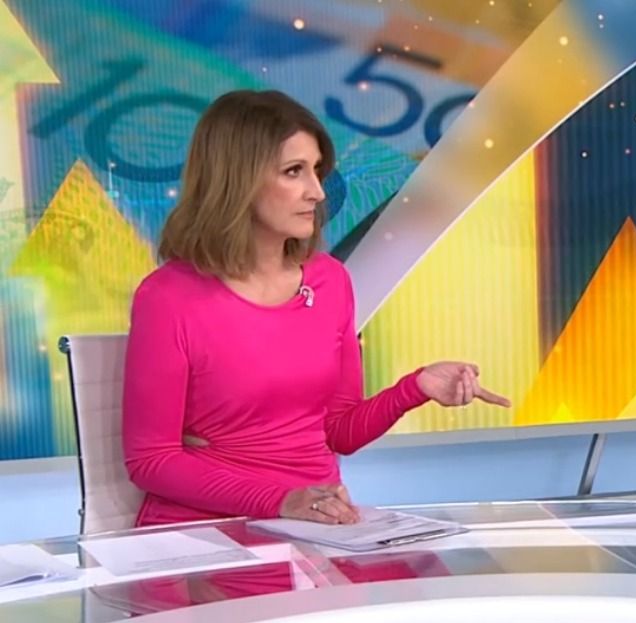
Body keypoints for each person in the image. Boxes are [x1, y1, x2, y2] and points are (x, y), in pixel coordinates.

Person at [122, 89, 510, 528]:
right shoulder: (167, 297)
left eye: (317, 171)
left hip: (315, 526)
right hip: (207, 533)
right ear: (237, 180)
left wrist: (415, 388)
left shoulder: (330, 281)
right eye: (294, 172)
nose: (317, 192)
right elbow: (151, 460)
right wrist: (282, 500)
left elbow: (339, 431)